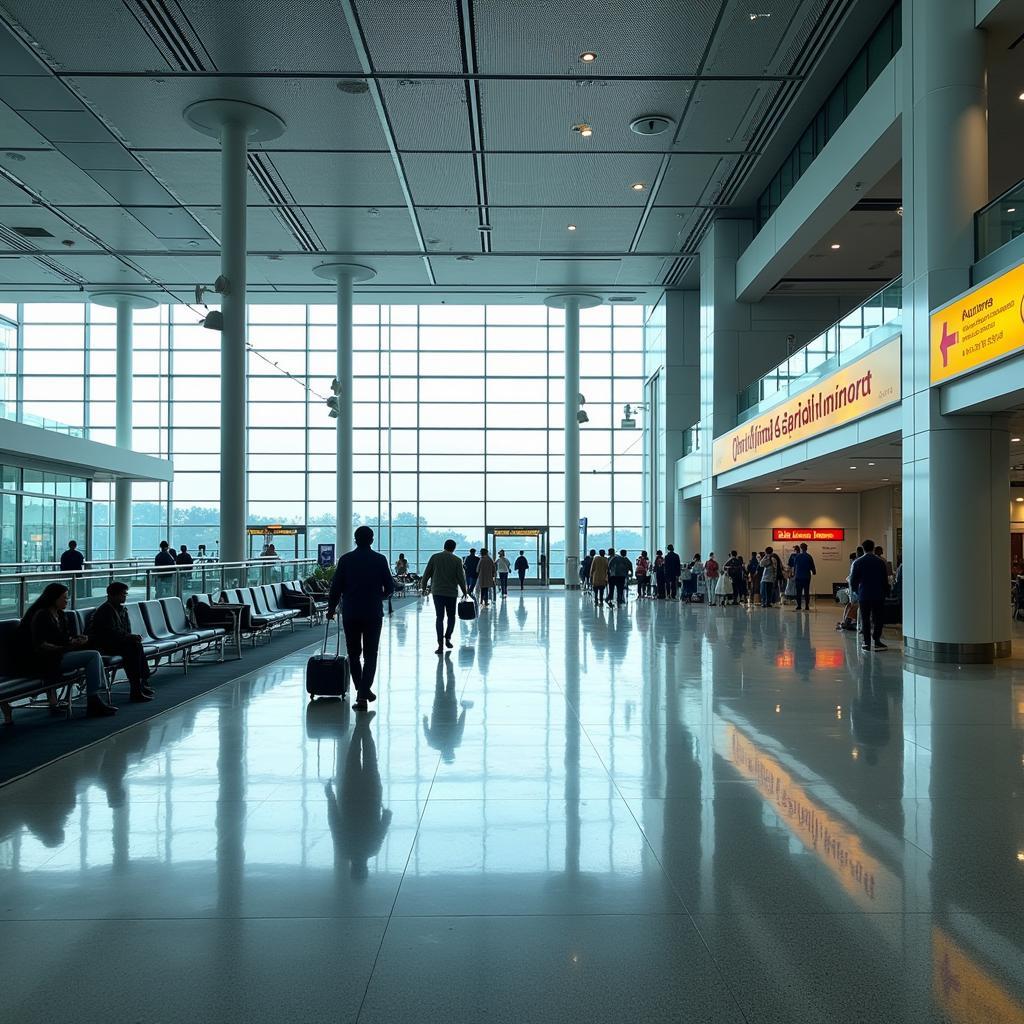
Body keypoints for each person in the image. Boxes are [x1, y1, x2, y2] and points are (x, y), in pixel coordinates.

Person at [17, 582, 115, 717]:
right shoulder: (41, 616)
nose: (67, 601)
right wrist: (66, 647)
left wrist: (75, 640)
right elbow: (41, 644)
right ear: (54, 598)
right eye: (64, 598)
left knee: (94, 654)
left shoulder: (60, 615)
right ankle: (94, 699)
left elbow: (63, 638)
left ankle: (95, 698)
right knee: (93, 656)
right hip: (47, 659)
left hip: (60, 654)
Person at [327, 526, 396, 709]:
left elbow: (336, 587)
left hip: (351, 613)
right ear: (372, 540)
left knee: (354, 654)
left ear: (355, 539)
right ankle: (363, 692)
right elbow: (390, 588)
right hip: (373, 613)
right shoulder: (380, 560)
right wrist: (378, 596)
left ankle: (362, 693)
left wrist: (331, 608)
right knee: (371, 654)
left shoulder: (346, 560)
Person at [88, 581, 155, 702]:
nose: (125, 596)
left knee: (135, 645)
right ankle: (138, 686)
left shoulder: (121, 609)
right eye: (123, 594)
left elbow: (123, 631)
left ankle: (139, 684)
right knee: (133, 648)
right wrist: (130, 637)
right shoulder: (105, 611)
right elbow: (110, 633)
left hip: (116, 642)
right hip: (105, 645)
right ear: (113, 595)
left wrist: (131, 637)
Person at [422, 539, 470, 655]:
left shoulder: (435, 557)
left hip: (437, 592)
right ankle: (448, 638)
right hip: (451, 593)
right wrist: (465, 592)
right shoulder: (457, 560)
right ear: (454, 548)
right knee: (451, 617)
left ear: (444, 546)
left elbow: (426, 574)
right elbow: (461, 578)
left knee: (439, 617)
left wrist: (423, 587)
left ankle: (440, 645)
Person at [850, 539, 890, 652]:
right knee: (878, 618)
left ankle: (866, 643)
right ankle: (877, 641)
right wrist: (886, 592)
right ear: (873, 548)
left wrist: (857, 592)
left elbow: (853, 581)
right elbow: (884, 580)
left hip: (864, 595)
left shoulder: (857, 562)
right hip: (878, 595)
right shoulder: (880, 562)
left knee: (865, 618)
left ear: (863, 549)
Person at [792, 542, 817, 611]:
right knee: (806, 591)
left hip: (798, 576)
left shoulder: (797, 556)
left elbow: (795, 566)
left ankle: (799, 606)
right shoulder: (809, 556)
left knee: (798, 592)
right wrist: (814, 572)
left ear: (800, 548)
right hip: (806, 577)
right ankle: (806, 606)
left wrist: (794, 574)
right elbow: (812, 566)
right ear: (806, 548)